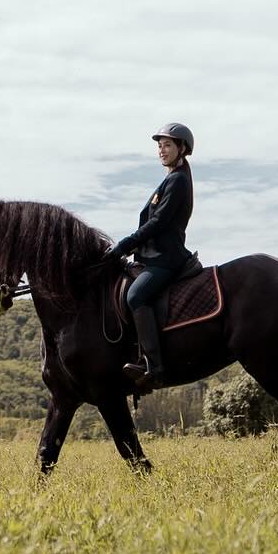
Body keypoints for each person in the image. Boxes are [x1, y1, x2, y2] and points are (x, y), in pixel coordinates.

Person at [104, 121, 199, 392]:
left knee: (136, 296)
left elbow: (158, 223)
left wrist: (124, 245)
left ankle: (154, 366)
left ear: (182, 148)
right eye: (159, 146)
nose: (162, 150)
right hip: (152, 254)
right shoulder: (171, 178)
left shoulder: (179, 180)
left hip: (166, 258)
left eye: (167, 145)